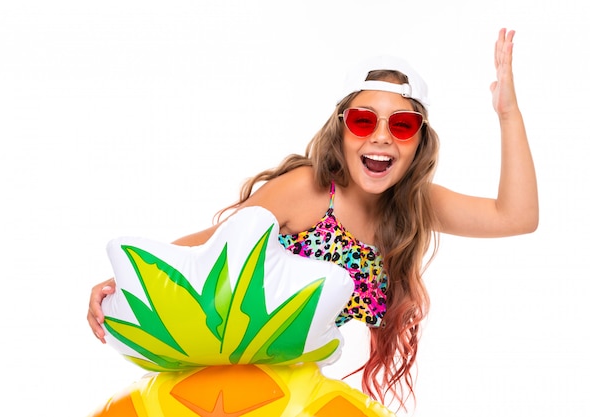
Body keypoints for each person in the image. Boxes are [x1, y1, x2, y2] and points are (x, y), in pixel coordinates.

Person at [87, 28, 538, 409]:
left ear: (419, 142)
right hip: (229, 383)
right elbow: (212, 245)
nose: (381, 137)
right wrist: (120, 283)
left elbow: (515, 216)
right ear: (340, 129)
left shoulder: (414, 206)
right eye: (364, 121)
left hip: (293, 389)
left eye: (401, 125)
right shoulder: (312, 190)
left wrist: (508, 113)